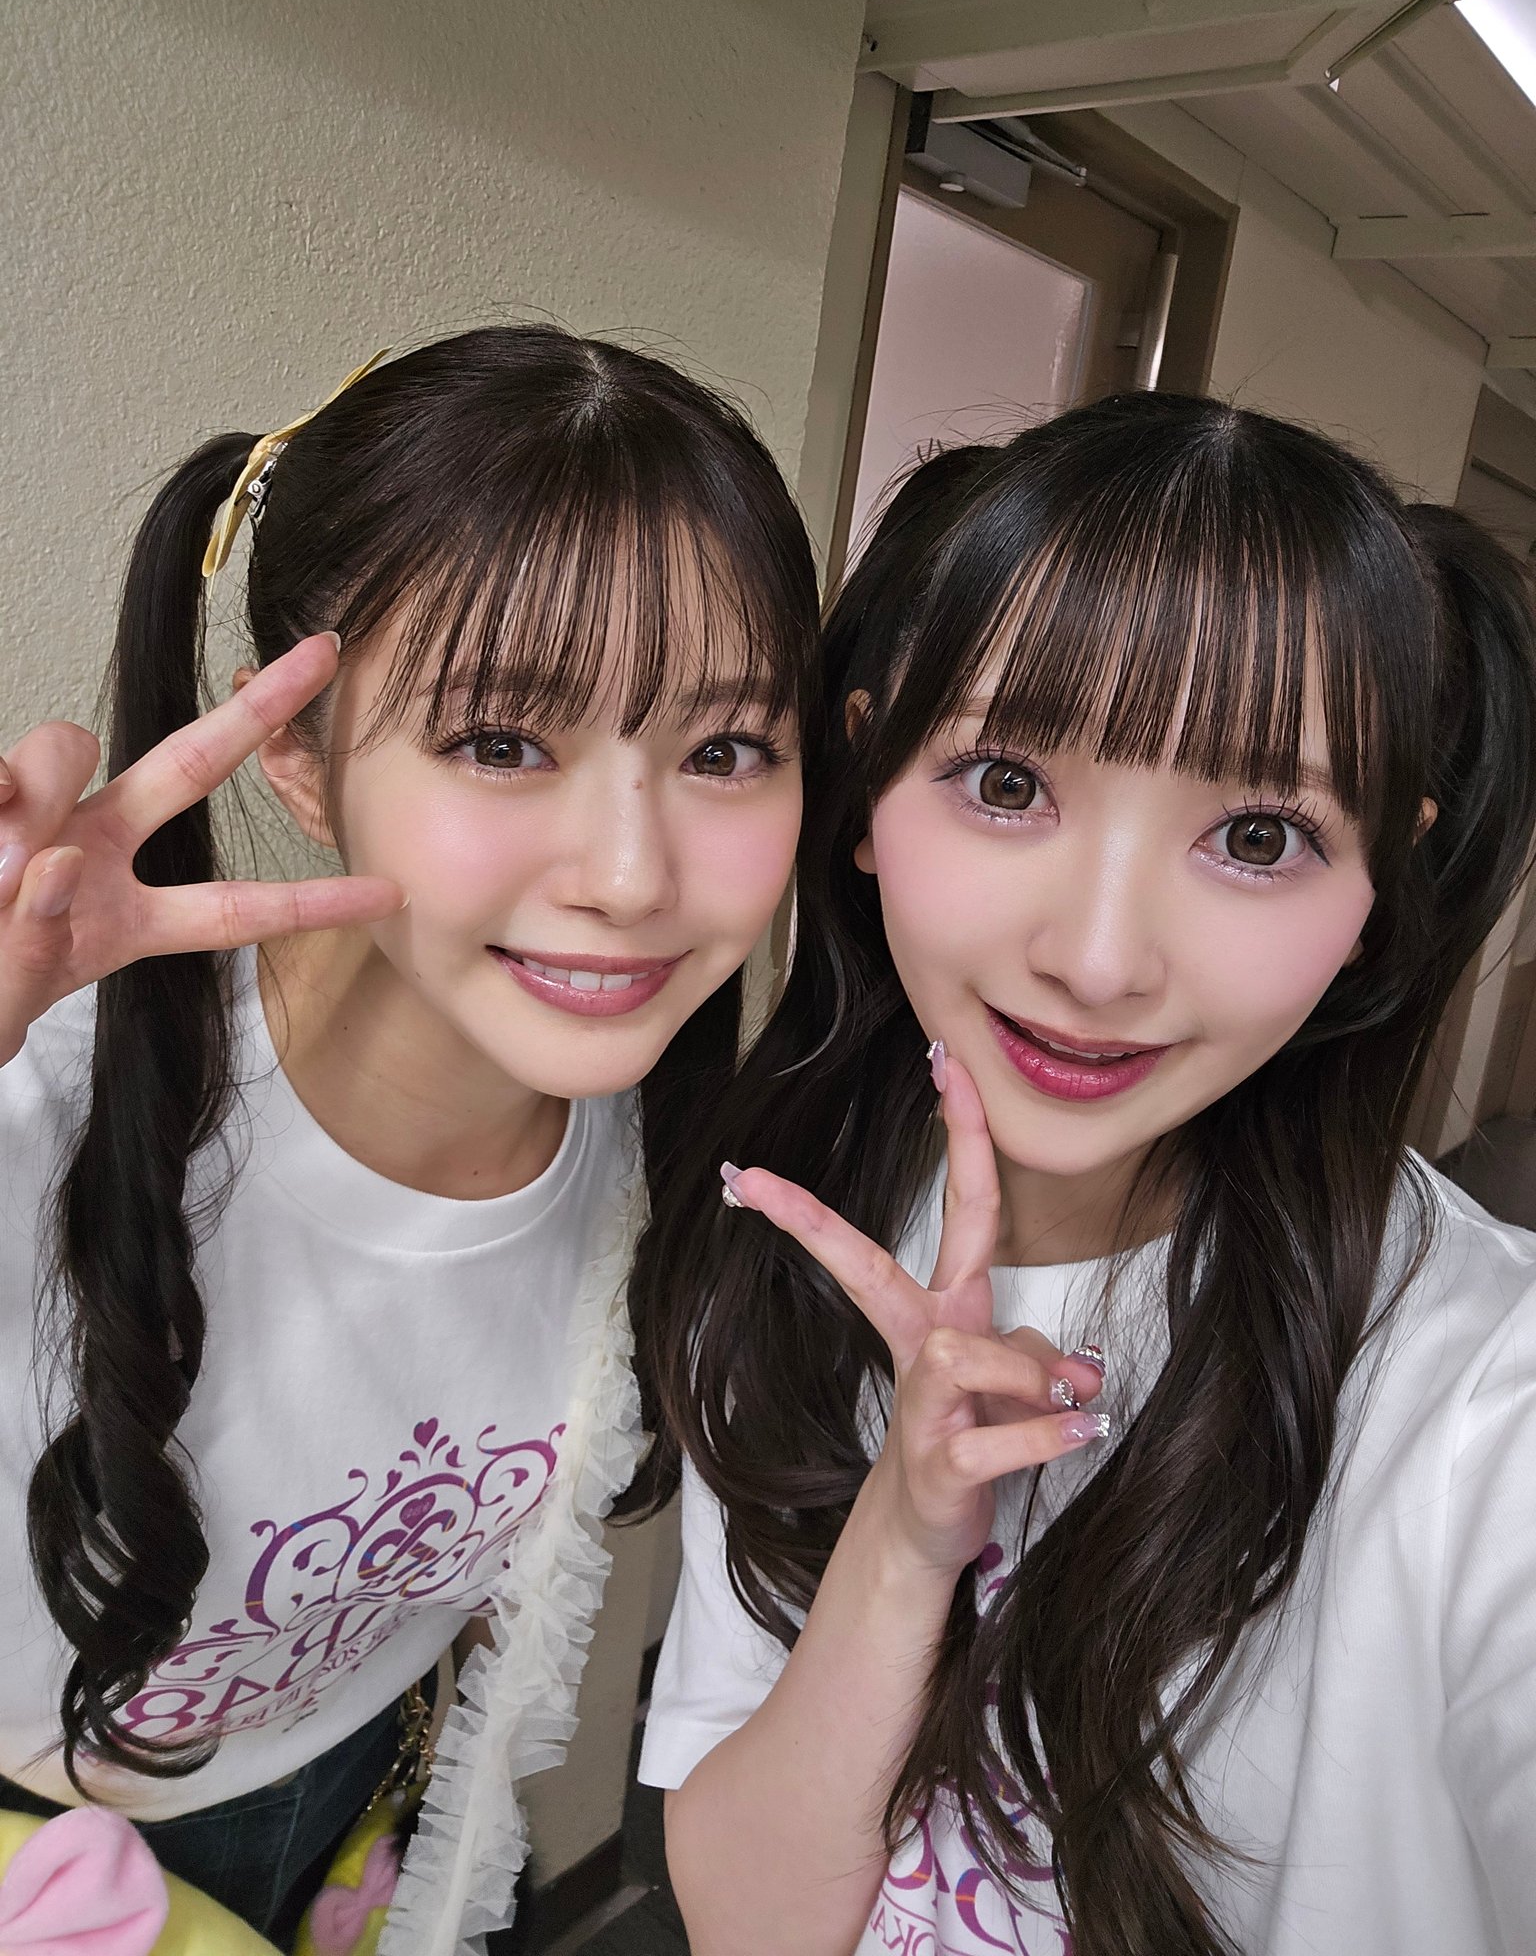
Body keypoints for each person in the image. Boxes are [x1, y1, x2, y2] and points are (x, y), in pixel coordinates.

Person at [627, 395, 1536, 1956]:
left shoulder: (1480, 1406)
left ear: (1385, 884)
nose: (1099, 960)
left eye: (1260, 837)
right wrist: (904, 1540)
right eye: (1006, 784)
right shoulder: (803, 1246)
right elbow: (750, 1925)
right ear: (864, 782)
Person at [0, 326, 818, 1950]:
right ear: (300, 761)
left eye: (725, 751)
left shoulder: (682, 1170)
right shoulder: (48, 1097)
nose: (632, 876)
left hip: (364, 1833)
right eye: (502, 743)